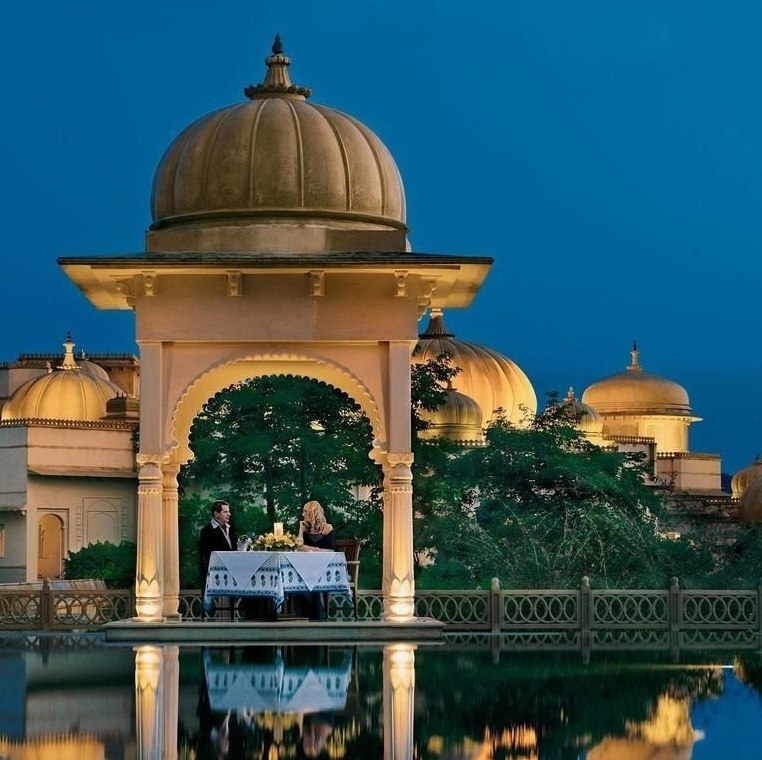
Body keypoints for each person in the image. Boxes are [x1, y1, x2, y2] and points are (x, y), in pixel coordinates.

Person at [294, 500, 335, 621]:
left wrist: (310, 548)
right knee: (303, 579)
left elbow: (330, 551)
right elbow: (299, 547)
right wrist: (301, 530)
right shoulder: (306, 530)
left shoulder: (327, 528)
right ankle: (308, 615)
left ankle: (318, 615)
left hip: (325, 567)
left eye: (305, 511)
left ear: (312, 512)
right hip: (309, 568)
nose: (302, 514)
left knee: (311, 580)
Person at [198, 500, 236, 618]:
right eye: (225, 512)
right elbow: (206, 553)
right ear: (216, 514)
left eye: (228, 512)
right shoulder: (207, 531)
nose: (228, 514)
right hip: (214, 569)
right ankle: (207, 612)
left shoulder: (230, 529)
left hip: (231, 568)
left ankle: (237, 612)